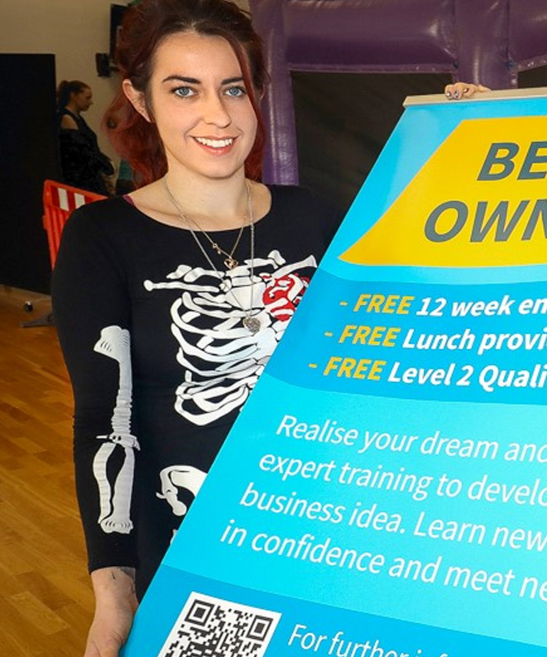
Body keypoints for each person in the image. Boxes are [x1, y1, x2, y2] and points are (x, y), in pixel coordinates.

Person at [51, 1, 342, 655]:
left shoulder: (317, 219)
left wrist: (473, 133)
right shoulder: (103, 238)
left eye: (233, 88)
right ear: (141, 99)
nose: (218, 115)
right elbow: (105, 420)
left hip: (322, 534)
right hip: (192, 554)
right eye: (184, 89)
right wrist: (114, 591)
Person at [57, 80, 114, 195]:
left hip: (86, 173)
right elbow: (82, 149)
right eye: (87, 98)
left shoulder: (77, 119)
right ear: (73, 96)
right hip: (80, 177)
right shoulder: (66, 118)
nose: (91, 102)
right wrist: (102, 164)